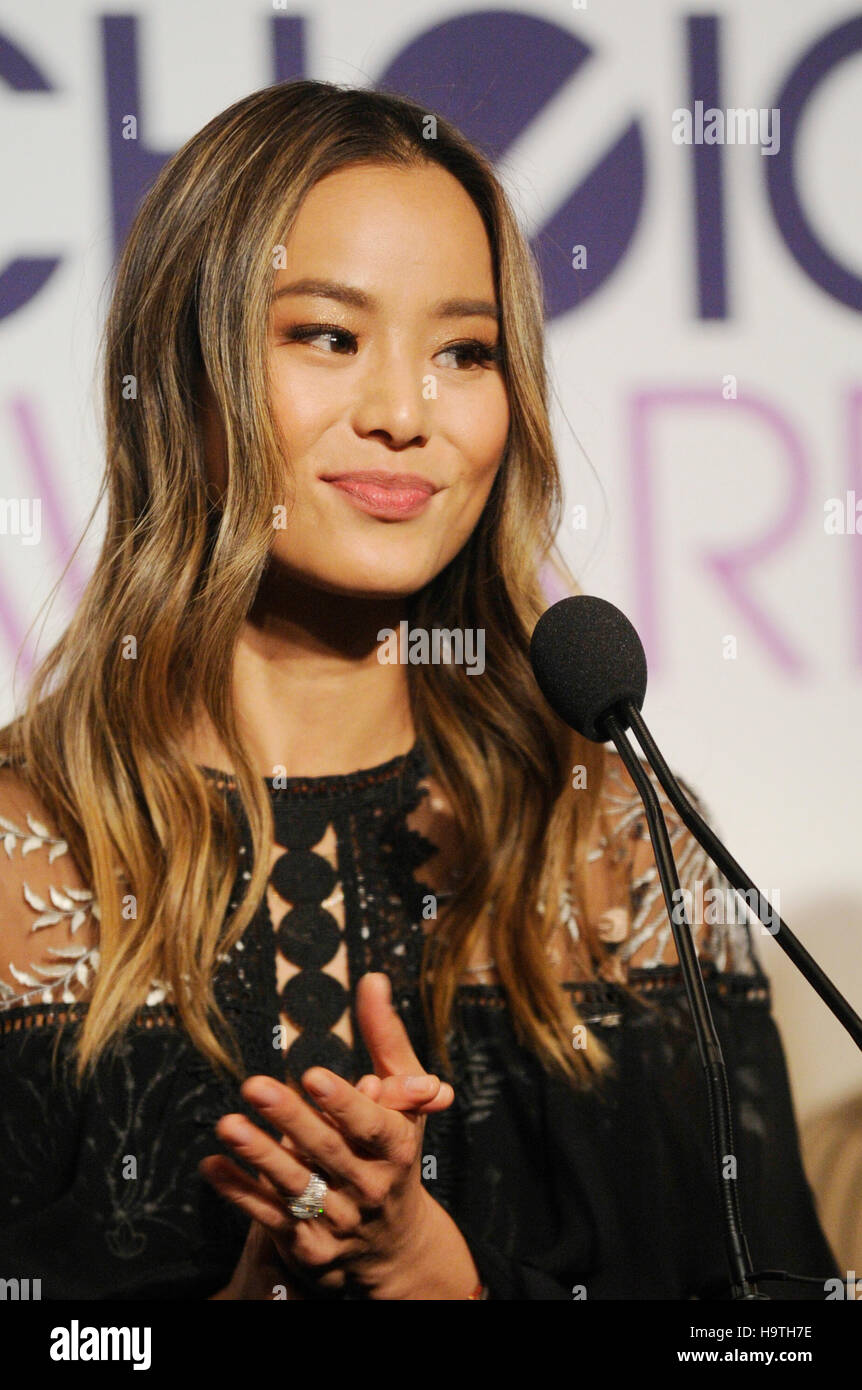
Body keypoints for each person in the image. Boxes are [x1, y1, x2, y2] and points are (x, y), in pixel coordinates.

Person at [0, 80, 837, 1301]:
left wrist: (447, 1282)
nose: (405, 414)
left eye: (465, 351)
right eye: (327, 336)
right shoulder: (31, 858)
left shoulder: (605, 840)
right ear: (184, 372)